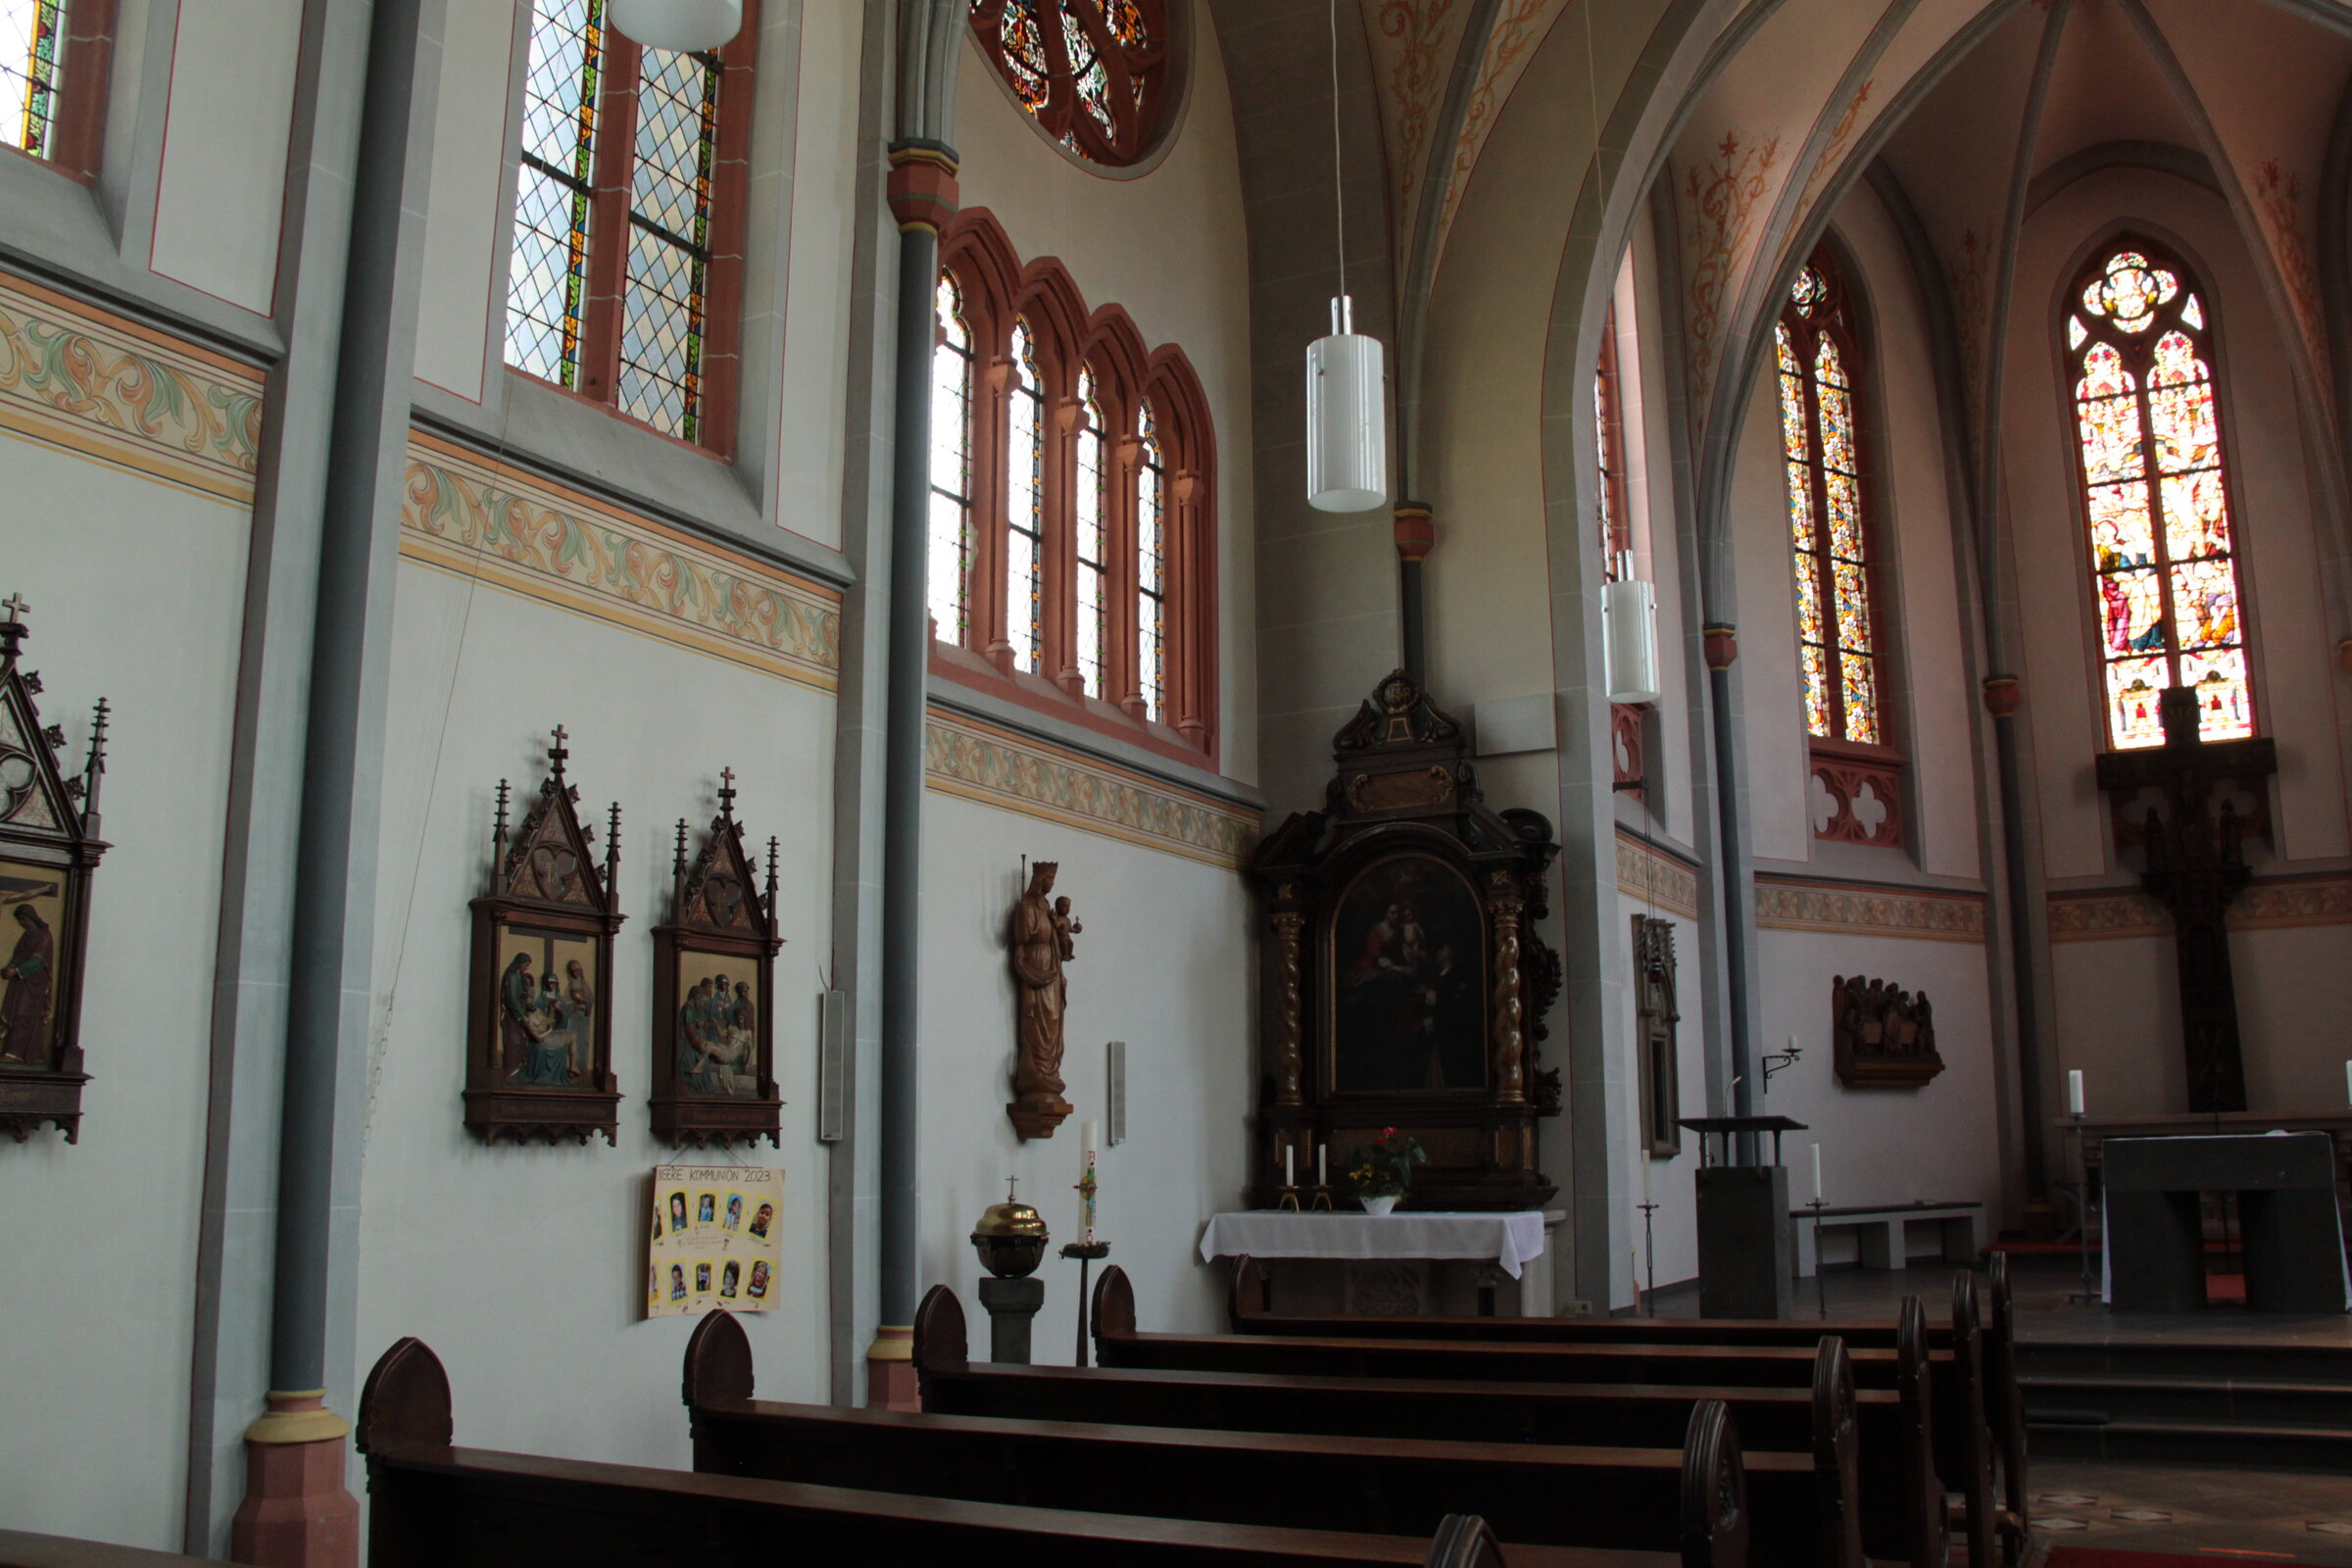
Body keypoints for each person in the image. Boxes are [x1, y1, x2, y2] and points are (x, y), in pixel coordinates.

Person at [0, 904, 54, 1064]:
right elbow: (18, 956)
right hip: (20, 983)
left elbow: (39, 960)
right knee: (16, 1013)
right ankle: (11, 1051)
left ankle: (17, 1053)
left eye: (23, 919)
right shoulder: (27, 935)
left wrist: (16, 971)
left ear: (32, 917)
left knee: (23, 1015)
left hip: (34, 985)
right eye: (19, 920)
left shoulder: (44, 935)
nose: (21, 923)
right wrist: (9, 967)